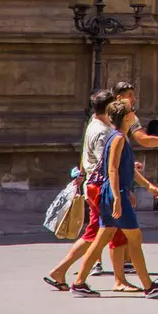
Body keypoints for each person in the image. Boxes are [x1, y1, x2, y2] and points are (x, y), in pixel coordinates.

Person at [74, 104, 158, 295]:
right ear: (125, 118)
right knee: (135, 237)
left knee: (101, 240)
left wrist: (147, 186)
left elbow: (126, 169)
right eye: (132, 111)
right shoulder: (117, 139)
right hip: (116, 193)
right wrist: (117, 197)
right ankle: (148, 286)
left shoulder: (119, 137)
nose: (135, 114)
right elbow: (113, 169)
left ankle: (79, 282)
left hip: (113, 192)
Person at [46, 90, 116, 291]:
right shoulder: (101, 131)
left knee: (103, 233)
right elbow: (107, 163)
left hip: (96, 186)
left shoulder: (97, 124)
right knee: (98, 233)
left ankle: (119, 279)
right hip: (101, 187)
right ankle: (69, 274)